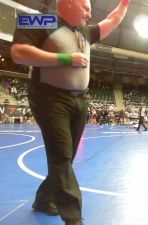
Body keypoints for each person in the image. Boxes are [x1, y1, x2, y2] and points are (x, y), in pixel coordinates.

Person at [11, 0, 132, 224]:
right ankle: (73, 219)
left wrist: (125, 2)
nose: (90, 13)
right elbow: (18, 52)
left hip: (79, 100)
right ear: (67, 3)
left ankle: (43, 199)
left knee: (66, 158)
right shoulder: (42, 20)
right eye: (86, 8)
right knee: (62, 157)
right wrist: (66, 59)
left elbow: (112, 20)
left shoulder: (85, 31)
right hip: (49, 98)